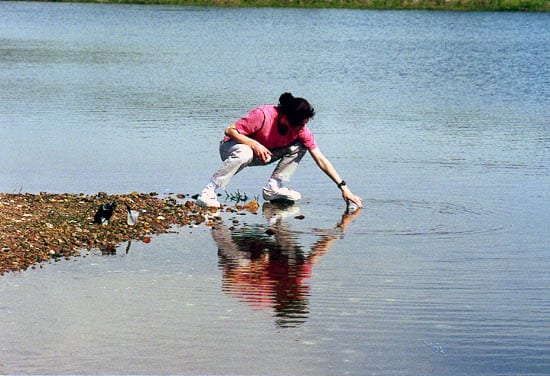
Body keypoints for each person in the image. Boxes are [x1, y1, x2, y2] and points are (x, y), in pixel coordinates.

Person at [196, 92, 363, 209]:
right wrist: (254, 144)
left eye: (303, 125)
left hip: (264, 154)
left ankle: (273, 188)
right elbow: (230, 131)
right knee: (245, 152)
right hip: (232, 148)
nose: (300, 129)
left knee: (300, 145)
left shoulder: (301, 130)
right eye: (297, 125)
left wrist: (344, 188)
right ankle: (208, 191)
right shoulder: (263, 115)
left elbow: (320, 159)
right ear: (285, 116)